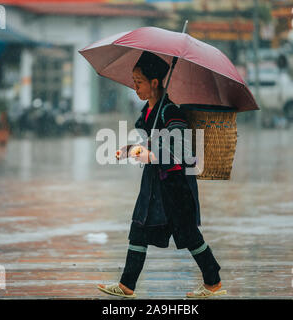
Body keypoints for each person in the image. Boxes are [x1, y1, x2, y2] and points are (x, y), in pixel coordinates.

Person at [97, 51, 226, 298]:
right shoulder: (148, 113)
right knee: (139, 229)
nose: (135, 87)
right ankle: (127, 285)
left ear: (154, 83)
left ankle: (213, 281)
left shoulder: (170, 113)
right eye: (133, 82)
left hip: (175, 187)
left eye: (139, 82)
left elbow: (182, 150)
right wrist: (128, 150)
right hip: (153, 184)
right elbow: (145, 143)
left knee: (189, 234)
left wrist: (152, 154)